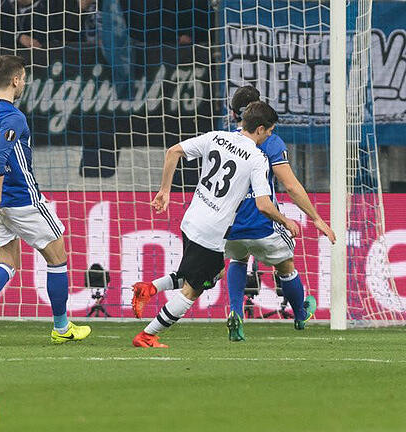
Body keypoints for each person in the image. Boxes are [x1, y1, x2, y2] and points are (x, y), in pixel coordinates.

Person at [130, 101, 299, 348]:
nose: (270, 136)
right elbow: (263, 205)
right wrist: (285, 220)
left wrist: (165, 190)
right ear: (260, 129)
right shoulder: (257, 158)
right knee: (194, 290)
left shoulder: (216, 137)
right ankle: (147, 335)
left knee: (214, 272)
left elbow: (173, 151)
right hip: (211, 232)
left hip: (191, 220)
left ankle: (148, 288)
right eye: (270, 131)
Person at [0, 55, 92, 345]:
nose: (24, 82)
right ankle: (61, 327)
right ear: (15, 80)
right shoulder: (14, 116)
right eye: (23, 78)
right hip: (21, 199)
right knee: (58, 258)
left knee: (8, 260)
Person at [222, 85, 337, 341]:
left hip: (232, 222)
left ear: (236, 114)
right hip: (263, 220)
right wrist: (316, 218)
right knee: (286, 265)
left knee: (238, 260)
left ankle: (235, 312)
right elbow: (291, 185)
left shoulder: (226, 138)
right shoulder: (271, 141)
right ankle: (299, 314)